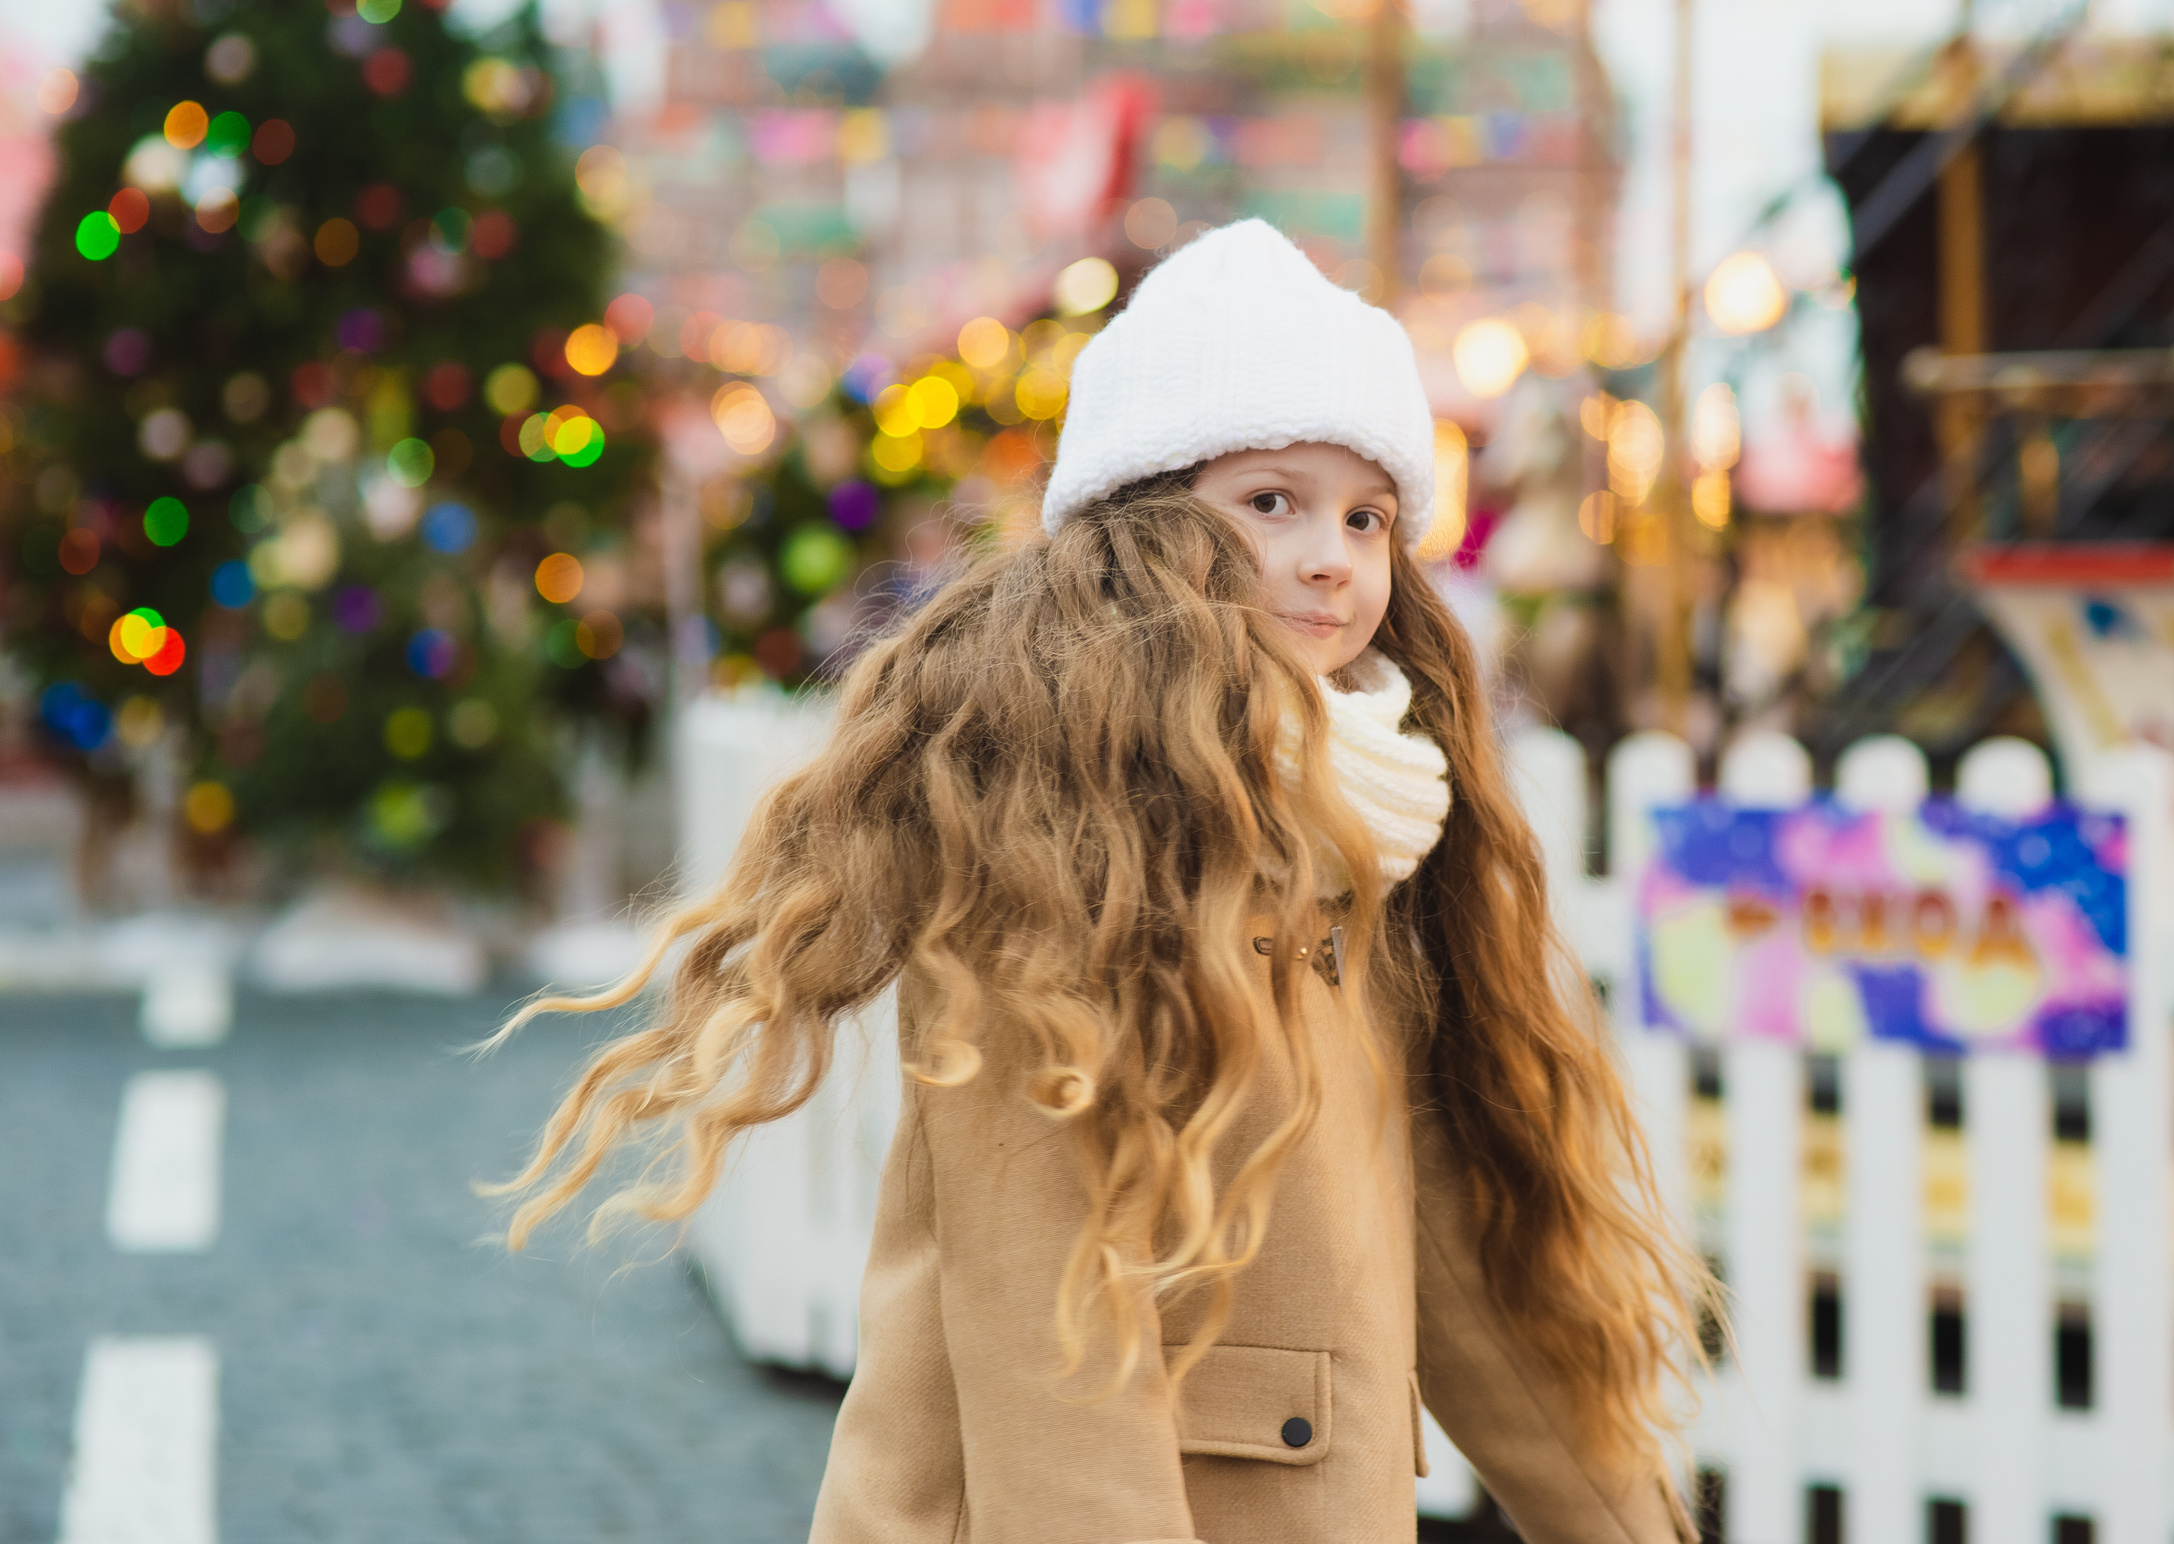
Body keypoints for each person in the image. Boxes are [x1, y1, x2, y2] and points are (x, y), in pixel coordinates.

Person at [492, 220, 1713, 1544]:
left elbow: (1456, 1252)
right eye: (1272, 502)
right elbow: (1055, 1342)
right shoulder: (1057, 849)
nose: (1332, 555)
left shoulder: (1366, 842)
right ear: (1138, 536)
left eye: (1366, 516)